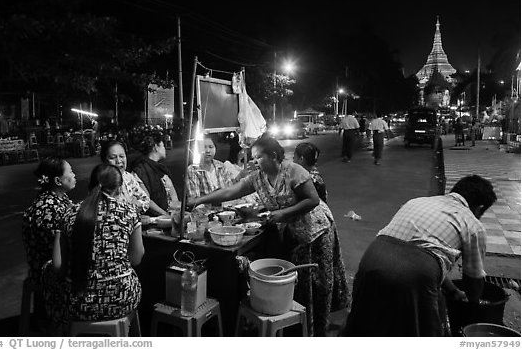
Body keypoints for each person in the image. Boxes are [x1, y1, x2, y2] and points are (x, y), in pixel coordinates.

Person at [187, 136, 350, 336]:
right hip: (293, 232)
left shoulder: (293, 171)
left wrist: (283, 214)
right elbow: (230, 192)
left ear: (273, 156)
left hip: (316, 230)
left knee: (317, 283)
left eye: (258, 157)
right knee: (299, 282)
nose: (254, 161)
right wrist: (198, 200)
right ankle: (299, 328)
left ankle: (316, 331)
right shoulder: (258, 177)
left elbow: (313, 200)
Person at [344, 175, 497, 336]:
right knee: (420, 331)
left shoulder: (416, 201)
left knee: (365, 324)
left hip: (372, 259)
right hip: (413, 276)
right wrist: (473, 305)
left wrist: (452, 290)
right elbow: (473, 280)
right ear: (479, 208)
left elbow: (426, 250)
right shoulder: (474, 225)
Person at [52, 163, 144, 324]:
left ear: (90, 185)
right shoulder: (129, 213)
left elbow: (58, 266)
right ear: (119, 188)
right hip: (121, 300)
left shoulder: (69, 213)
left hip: (77, 304)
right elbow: (136, 258)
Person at [23, 157, 76, 286]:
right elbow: (64, 247)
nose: (74, 175)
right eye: (70, 171)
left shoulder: (58, 197)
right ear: (58, 181)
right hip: (49, 276)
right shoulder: (49, 209)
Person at [129, 132, 179, 216]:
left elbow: (172, 192)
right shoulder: (140, 170)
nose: (165, 149)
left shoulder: (161, 169)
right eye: (162, 146)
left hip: (169, 215)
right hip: (153, 220)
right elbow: (146, 199)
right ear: (156, 147)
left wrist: (175, 211)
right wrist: (165, 215)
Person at [186, 134, 244, 199]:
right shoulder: (192, 170)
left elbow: (229, 189)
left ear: (215, 148)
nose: (207, 151)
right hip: (205, 208)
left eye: (211, 147)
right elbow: (194, 199)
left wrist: (240, 176)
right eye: (204, 147)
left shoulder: (221, 166)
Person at [101, 140, 151, 214]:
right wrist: (130, 205)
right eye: (113, 157)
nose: (118, 161)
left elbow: (146, 200)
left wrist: (137, 204)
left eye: (121, 156)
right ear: (105, 160)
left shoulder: (129, 177)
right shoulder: (102, 180)